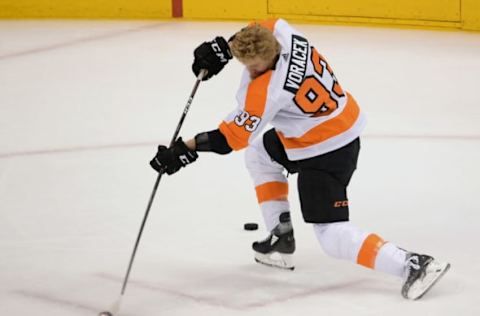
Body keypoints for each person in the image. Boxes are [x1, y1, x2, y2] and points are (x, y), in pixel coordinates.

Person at [149, 18, 450, 300]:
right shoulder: (281, 32)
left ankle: (412, 264)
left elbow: (230, 139)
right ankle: (281, 236)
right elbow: (256, 27)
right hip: (333, 123)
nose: (250, 71)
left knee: (331, 235)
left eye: (254, 66)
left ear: (268, 60)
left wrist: (183, 149)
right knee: (260, 153)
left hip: (327, 150)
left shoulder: (266, 91)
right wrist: (223, 48)